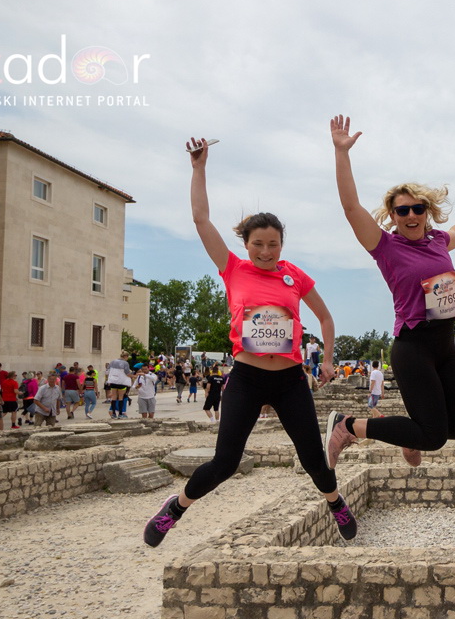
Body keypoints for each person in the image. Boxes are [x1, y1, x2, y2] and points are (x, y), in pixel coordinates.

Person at [144, 136, 356, 548]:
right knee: (225, 462)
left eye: (273, 244)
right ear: (246, 244)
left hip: (290, 380)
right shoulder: (233, 268)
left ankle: (335, 502)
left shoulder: (294, 275)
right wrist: (198, 168)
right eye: (257, 244)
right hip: (246, 378)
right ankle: (176, 508)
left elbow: (326, 318)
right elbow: (201, 220)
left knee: (313, 459)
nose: (265, 251)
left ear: (282, 244)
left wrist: (328, 359)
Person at [325, 114, 455, 469]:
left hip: (446, 345)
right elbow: (351, 208)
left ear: (427, 212)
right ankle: (347, 426)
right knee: (433, 436)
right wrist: (341, 153)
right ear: (393, 215)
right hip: (414, 347)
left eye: (418, 208)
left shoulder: (438, 240)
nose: (411, 215)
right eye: (403, 210)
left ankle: (411, 434)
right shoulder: (385, 246)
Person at [105, 351, 133, 418]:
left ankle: (113, 413)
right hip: (121, 382)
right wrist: (133, 376)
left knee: (114, 397)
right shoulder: (125, 363)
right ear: (126, 356)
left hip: (113, 381)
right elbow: (127, 373)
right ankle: (120, 414)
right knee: (121, 397)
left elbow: (107, 371)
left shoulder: (112, 361)